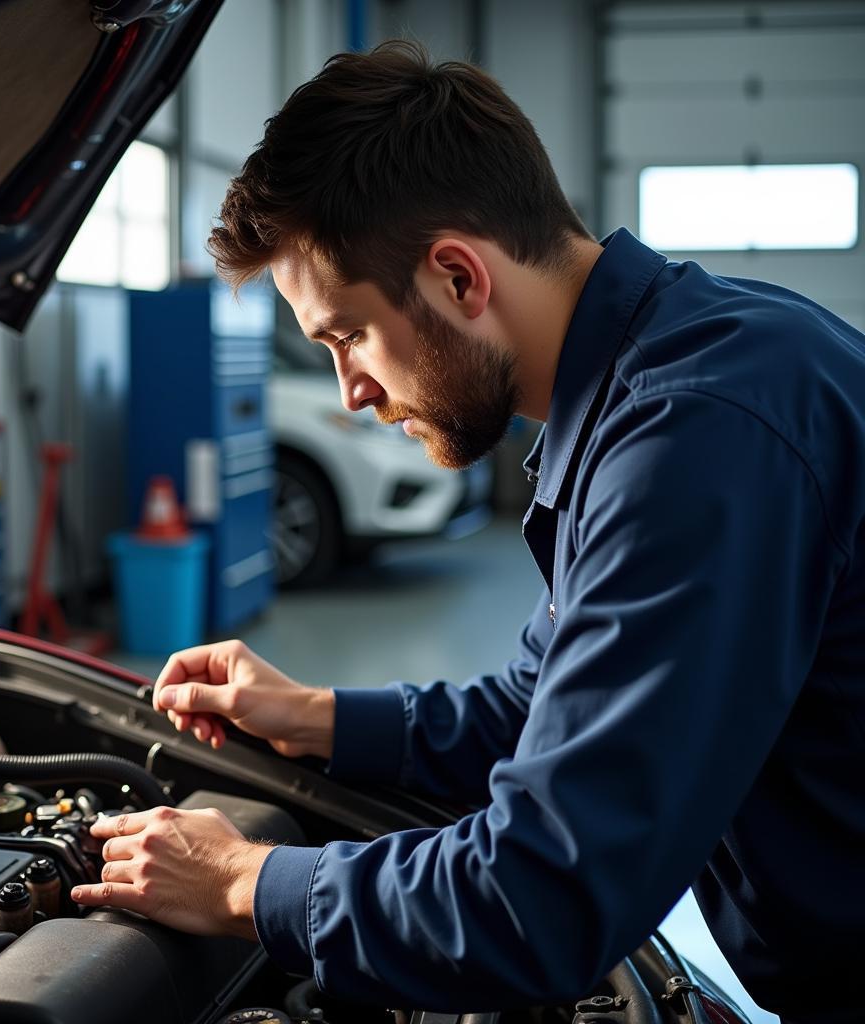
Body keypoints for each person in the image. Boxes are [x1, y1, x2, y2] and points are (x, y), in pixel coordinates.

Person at [71, 41, 865, 1023]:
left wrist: (242, 880)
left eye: (346, 335)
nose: (351, 391)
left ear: (456, 275)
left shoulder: (697, 438)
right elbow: (552, 701)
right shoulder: (660, 381)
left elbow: (539, 900)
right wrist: (316, 715)